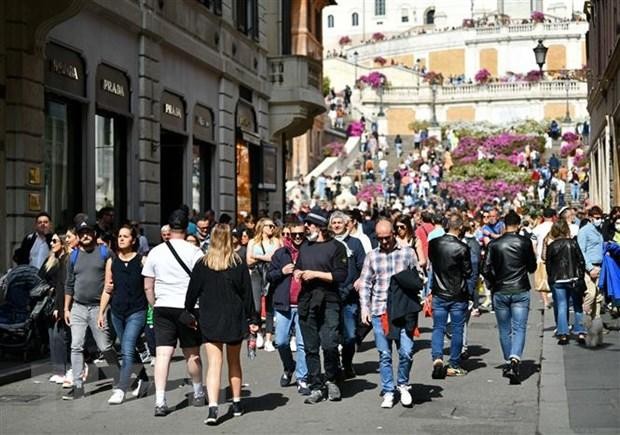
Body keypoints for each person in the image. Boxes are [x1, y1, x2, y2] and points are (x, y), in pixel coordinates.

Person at [185, 224, 259, 425]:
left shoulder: (202, 264)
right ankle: (236, 403)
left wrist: (189, 311)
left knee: (213, 364)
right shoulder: (238, 263)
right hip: (234, 317)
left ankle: (213, 408)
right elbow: (247, 295)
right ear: (230, 239)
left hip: (210, 318)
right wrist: (253, 319)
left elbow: (191, 293)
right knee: (234, 362)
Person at [142, 210, 205, 416]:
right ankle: (197, 391)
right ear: (187, 228)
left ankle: (160, 400)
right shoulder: (195, 251)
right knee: (192, 353)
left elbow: (148, 286)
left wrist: (154, 305)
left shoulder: (156, 251)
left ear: (168, 228)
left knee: (163, 354)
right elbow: (203, 281)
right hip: (188, 308)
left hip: (163, 306)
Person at [359, 219, 419, 408]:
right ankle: (388, 390)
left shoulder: (407, 253)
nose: (383, 242)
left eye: (387, 238)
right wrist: (364, 308)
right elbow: (365, 283)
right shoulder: (372, 256)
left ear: (394, 234)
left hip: (403, 311)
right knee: (384, 354)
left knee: (407, 352)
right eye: (380, 238)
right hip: (380, 310)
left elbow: (418, 276)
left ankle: (402, 384)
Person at [294, 211, 348, 404]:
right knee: (310, 347)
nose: (306, 227)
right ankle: (317, 386)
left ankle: (332, 379)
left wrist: (315, 274)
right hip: (307, 302)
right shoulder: (305, 248)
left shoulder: (337, 247)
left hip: (330, 301)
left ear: (320, 227)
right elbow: (298, 267)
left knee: (330, 344)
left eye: (309, 224)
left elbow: (341, 275)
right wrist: (298, 272)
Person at [62, 219, 119, 400]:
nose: (85, 235)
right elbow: (69, 284)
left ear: (94, 233)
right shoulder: (73, 256)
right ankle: (78, 386)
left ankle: (118, 374)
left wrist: (104, 309)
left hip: (98, 308)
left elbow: (112, 281)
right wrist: (66, 308)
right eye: (81, 233)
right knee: (76, 346)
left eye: (88, 232)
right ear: (78, 236)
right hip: (78, 307)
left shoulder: (105, 252)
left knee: (105, 345)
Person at [483, 210, 537, 385]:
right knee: (519, 327)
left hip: (501, 290)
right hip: (520, 288)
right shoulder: (524, 242)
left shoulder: (494, 244)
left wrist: (492, 283)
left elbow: (486, 269)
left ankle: (509, 361)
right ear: (519, 225)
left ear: (504, 225)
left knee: (504, 329)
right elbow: (532, 267)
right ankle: (515, 358)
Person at [97, 225, 150, 404]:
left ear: (133, 240)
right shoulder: (112, 262)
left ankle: (121, 388)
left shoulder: (142, 261)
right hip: (117, 313)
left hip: (137, 311)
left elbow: (151, 286)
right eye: (119, 236)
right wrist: (101, 312)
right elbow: (107, 289)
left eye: (125, 236)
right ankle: (143, 378)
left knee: (127, 348)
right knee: (130, 349)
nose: (121, 239)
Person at [266, 221, 310, 395]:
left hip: (303, 304)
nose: (298, 237)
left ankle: (302, 378)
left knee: (302, 343)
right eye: (294, 234)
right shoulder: (280, 253)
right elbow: (269, 276)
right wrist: (282, 271)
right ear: (288, 235)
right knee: (281, 341)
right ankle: (288, 367)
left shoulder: (310, 251)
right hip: (283, 304)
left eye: (301, 234)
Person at [428, 214, 472, 378]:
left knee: (438, 327)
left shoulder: (434, 244)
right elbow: (468, 272)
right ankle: (453, 363)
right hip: (457, 293)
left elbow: (432, 263)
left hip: (439, 291)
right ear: (460, 227)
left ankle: (437, 358)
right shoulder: (462, 247)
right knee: (457, 328)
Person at [329, 211, 365, 379]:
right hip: (331, 296)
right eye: (334, 222)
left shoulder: (355, 243)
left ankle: (347, 363)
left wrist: (356, 283)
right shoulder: (327, 243)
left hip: (350, 296)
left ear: (346, 224)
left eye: (339, 222)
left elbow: (363, 267)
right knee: (332, 334)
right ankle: (335, 366)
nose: (336, 225)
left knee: (350, 335)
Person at [544, 220, 587, 345]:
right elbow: (581, 261)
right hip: (573, 278)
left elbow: (548, 264)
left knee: (562, 305)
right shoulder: (573, 243)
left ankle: (563, 333)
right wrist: (581, 276)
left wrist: (551, 277)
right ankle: (580, 331)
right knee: (577, 305)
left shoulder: (552, 245)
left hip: (558, 279)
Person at [39, 232, 71, 385]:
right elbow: (40, 277)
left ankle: (64, 370)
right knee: (52, 336)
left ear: (63, 243)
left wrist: (60, 307)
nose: (51, 243)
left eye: (54, 241)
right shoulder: (51, 260)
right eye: (51, 241)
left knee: (60, 336)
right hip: (48, 303)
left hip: (59, 302)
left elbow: (64, 286)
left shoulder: (65, 261)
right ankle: (58, 370)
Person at [246, 217, 281, 352]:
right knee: (256, 306)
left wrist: (257, 257)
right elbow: (248, 261)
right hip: (255, 274)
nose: (272, 228)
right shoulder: (252, 242)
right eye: (269, 226)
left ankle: (268, 339)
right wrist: (264, 257)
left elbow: (274, 258)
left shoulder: (276, 241)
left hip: (270, 274)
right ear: (261, 227)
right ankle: (259, 331)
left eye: (273, 226)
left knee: (270, 306)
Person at [577, 206, 606, 345]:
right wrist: (589, 268)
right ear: (590, 217)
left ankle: (596, 326)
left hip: (600, 266)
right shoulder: (584, 231)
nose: (599, 220)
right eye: (597, 218)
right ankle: (584, 320)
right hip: (589, 267)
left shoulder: (599, 231)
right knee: (591, 293)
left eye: (600, 218)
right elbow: (581, 251)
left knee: (599, 297)